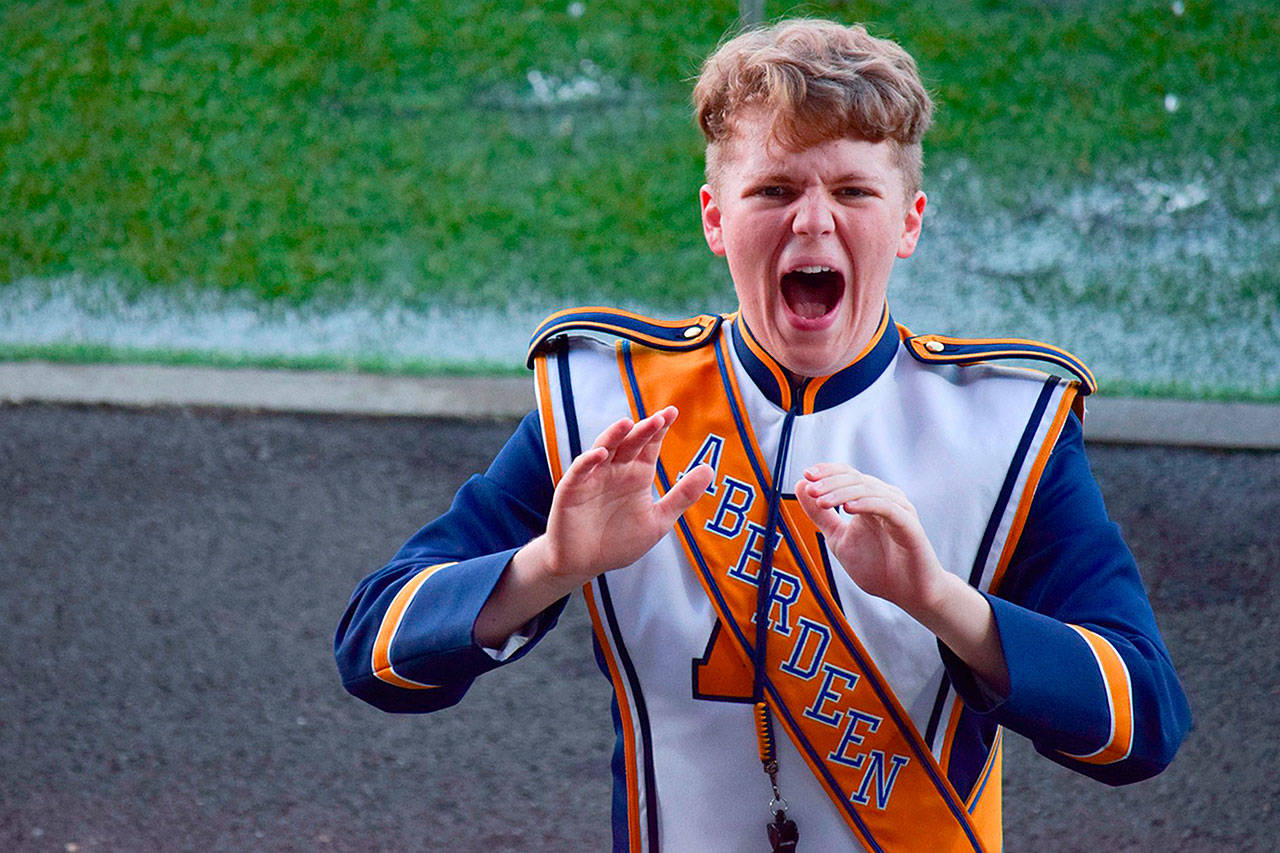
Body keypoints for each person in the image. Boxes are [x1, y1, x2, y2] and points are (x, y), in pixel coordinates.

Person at [335, 19, 1190, 852]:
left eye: (854, 190)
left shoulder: (1005, 426)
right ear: (715, 218)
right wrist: (549, 565)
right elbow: (373, 652)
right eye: (775, 190)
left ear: (909, 222)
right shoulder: (612, 406)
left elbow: (1144, 721)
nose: (814, 221)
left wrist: (941, 602)